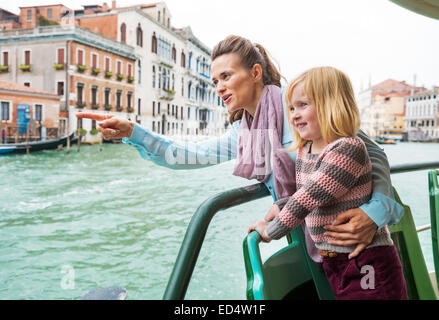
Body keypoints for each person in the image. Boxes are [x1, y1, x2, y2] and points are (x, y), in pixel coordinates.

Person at [76, 35, 403, 262]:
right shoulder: (244, 133)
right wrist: (133, 130)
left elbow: (370, 152)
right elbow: (186, 155)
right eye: (214, 80)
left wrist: (374, 213)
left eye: (226, 76)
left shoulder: (300, 105)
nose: (218, 87)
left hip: (360, 245)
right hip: (312, 244)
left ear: (255, 73)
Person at [248, 66, 408, 299]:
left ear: (331, 105)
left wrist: (269, 232)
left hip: (365, 261)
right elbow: (313, 193)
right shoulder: (306, 149)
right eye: (291, 107)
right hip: (334, 262)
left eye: (303, 105)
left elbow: (306, 199)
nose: (294, 114)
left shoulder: (347, 149)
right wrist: (282, 205)